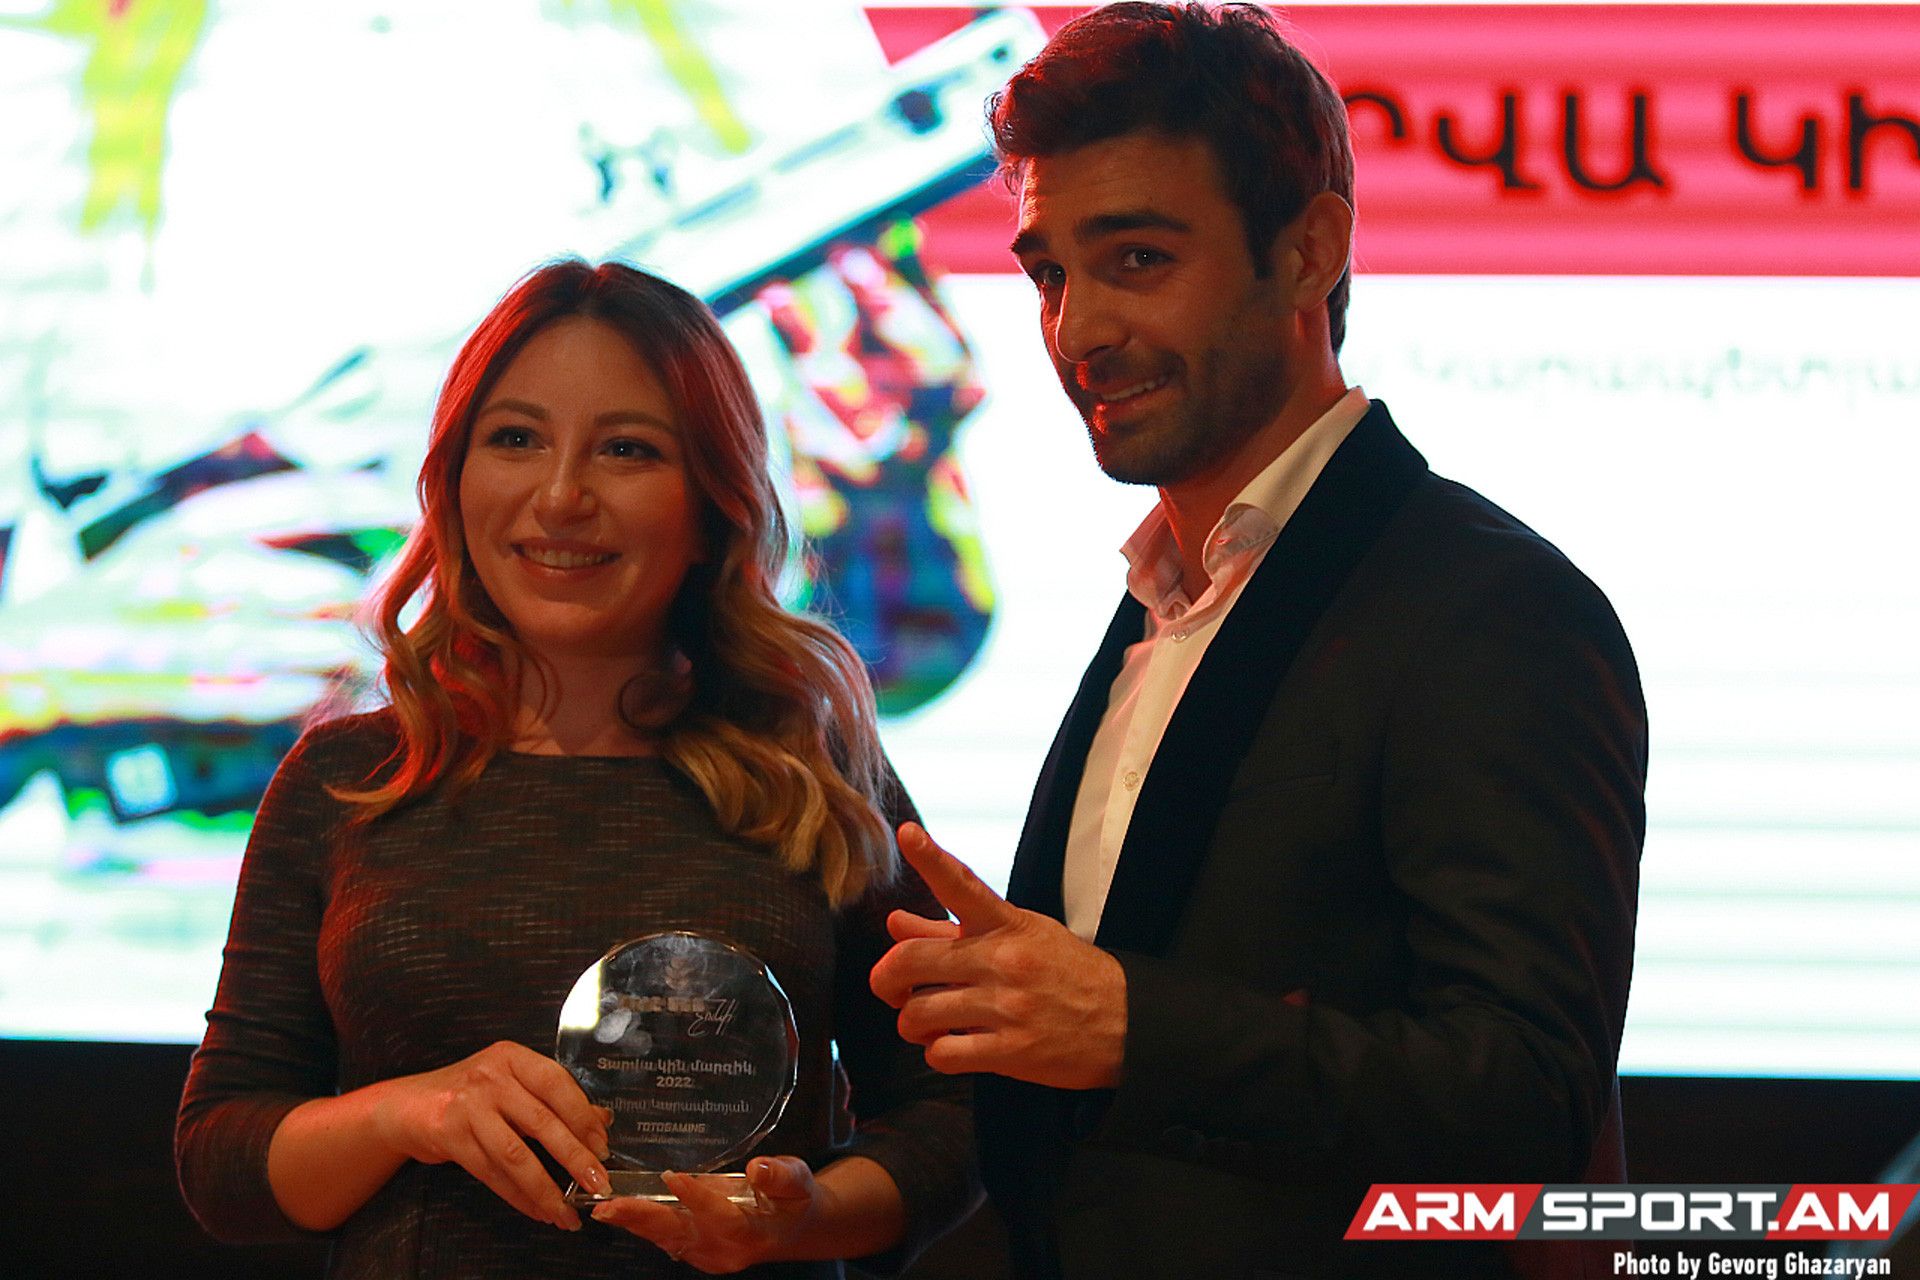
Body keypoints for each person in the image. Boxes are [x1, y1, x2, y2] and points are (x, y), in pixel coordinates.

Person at [868, 5, 1647, 1277]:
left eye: (1136, 259)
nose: (1077, 330)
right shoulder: (1159, 604)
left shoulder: (1492, 605)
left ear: (1307, 253)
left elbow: (1527, 1095)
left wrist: (1134, 1027)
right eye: (1049, 274)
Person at [175, 260, 976, 1279]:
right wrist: (408, 1112)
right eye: (515, 439)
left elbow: (952, 1114)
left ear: (712, 504)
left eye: (627, 449)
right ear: (454, 480)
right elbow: (222, 1159)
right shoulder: (350, 777)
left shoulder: (811, 771)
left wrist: (800, 1217)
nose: (559, 498)